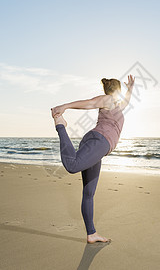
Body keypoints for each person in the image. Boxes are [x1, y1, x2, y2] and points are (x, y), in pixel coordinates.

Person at [51, 74, 135, 244]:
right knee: (72, 165)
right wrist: (65, 106)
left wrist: (131, 88)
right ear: (116, 91)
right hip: (98, 142)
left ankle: (92, 234)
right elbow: (90, 103)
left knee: (89, 193)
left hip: (98, 145)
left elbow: (126, 101)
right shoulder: (108, 99)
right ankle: (60, 125)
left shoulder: (117, 105)